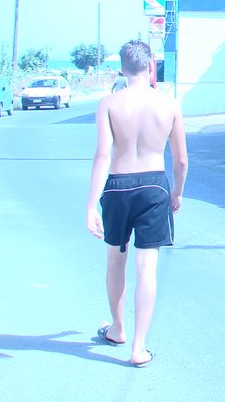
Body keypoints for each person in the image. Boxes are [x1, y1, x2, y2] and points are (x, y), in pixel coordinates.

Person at [86, 40, 188, 367]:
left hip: (117, 186)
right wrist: (177, 193)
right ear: (151, 65)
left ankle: (118, 329)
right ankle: (139, 347)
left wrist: (91, 205)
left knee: (116, 260)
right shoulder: (169, 104)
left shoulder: (108, 104)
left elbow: (102, 155)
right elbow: (182, 161)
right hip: (154, 186)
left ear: (121, 67)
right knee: (147, 267)